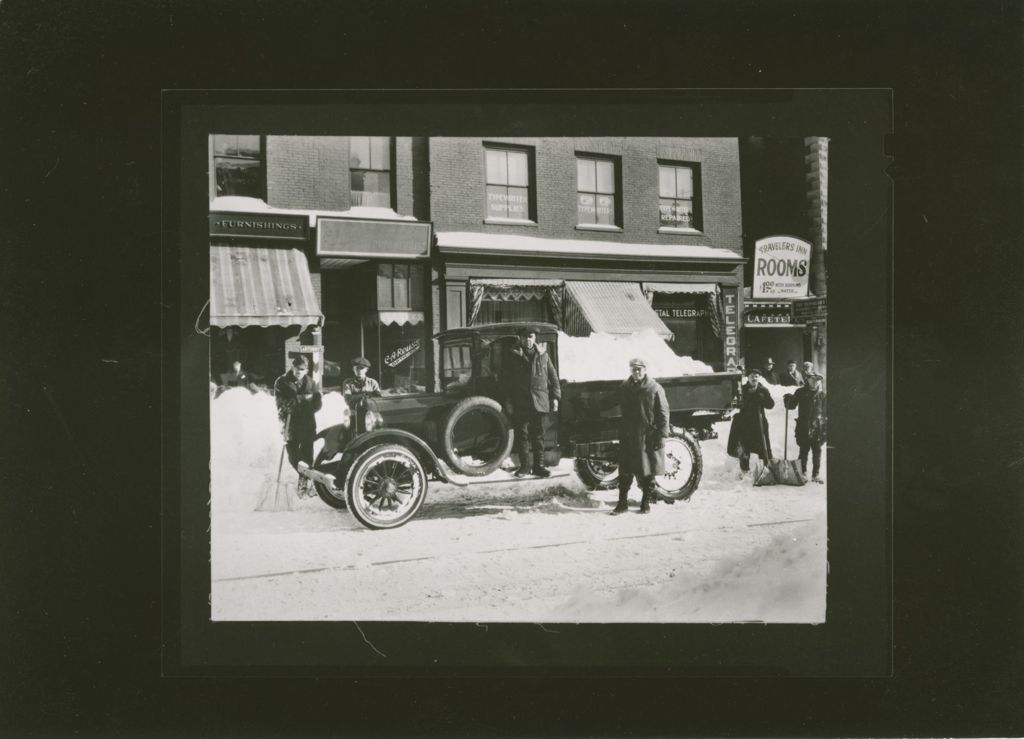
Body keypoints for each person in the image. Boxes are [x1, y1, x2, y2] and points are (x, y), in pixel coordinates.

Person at [608, 357, 670, 515]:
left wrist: (662, 435)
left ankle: (645, 503)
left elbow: (663, 414)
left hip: (646, 436)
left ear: (645, 370)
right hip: (628, 435)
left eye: (639, 369)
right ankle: (622, 504)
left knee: (647, 470)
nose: (636, 372)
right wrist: (590, 405)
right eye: (633, 369)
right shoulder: (625, 387)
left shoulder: (655, 388)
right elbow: (611, 401)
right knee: (625, 471)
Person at [502, 326, 560, 477]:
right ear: (520, 339)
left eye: (531, 336)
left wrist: (555, 397)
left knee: (538, 436)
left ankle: (539, 467)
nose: (528, 340)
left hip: (539, 402)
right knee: (522, 436)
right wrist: (508, 402)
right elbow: (506, 382)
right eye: (525, 337)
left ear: (535, 339)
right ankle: (524, 467)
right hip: (520, 402)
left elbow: (553, 378)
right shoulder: (512, 356)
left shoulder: (543, 356)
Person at [274, 356, 323, 497]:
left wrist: (303, 402)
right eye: (296, 368)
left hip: (307, 423)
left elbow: (317, 403)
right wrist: (296, 402)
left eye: (302, 369)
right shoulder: (282, 382)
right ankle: (307, 477)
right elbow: (279, 402)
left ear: (306, 370)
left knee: (307, 454)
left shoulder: (312, 383)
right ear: (292, 367)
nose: (298, 371)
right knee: (292, 455)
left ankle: (303, 483)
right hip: (290, 423)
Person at [726, 367, 775, 477]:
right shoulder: (742, 390)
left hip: (759, 424)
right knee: (744, 448)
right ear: (748, 377)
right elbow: (733, 403)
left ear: (759, 378)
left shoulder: (763, 390)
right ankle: (744, 471)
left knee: (764, 447)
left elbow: (771, 405)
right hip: (745, 424)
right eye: (752, 376)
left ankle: (765, 471)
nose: (754, 378)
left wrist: (763, 398)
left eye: (756, 376)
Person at [784, 372, 827, 483]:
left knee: (817, 451)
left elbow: (826, 413)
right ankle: (802, 473)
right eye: (812, 379)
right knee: (803, 450)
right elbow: (792, 406)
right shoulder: (800, 392)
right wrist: (788, 400)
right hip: (803, 426)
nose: (815, 381)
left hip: (817, 427)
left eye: (818, 380)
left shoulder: (823, 395)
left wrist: (825, 429)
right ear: (807, 380)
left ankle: (815, 475)